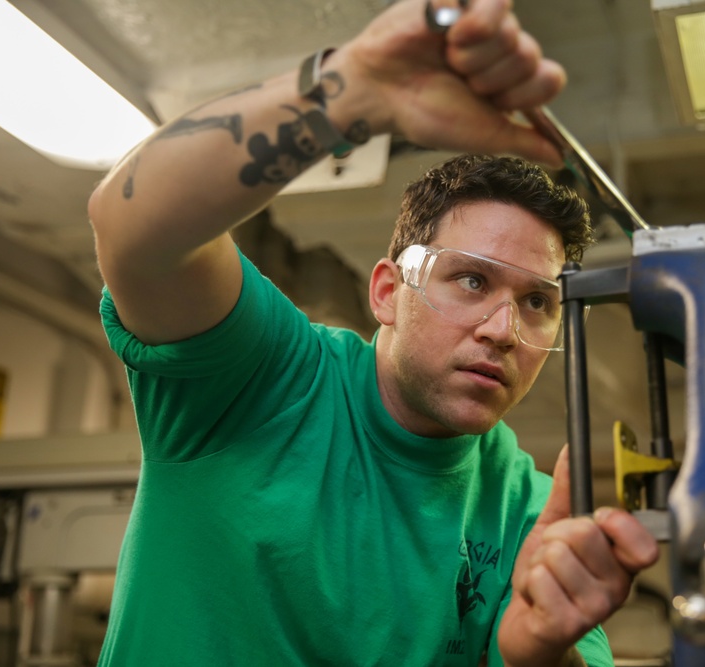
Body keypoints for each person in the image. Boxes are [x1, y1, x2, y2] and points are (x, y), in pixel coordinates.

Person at [87, 0, 659, 665]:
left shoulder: (529, 511)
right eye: (472, 280)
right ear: (389, 291)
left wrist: (538, 650)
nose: (504, 329)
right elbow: (130, 229)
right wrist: (347, 93)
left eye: (537, 301)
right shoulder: (261, 379)